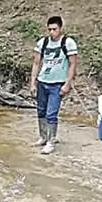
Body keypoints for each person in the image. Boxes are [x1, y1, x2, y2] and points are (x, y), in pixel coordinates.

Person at [29, 16, 78, 155]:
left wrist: (67, 84)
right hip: (43, 81)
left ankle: (51, 141)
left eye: (54, 29)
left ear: (60, 28)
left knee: (52, 113)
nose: (52, 32)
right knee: (41, 111)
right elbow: (36, 63)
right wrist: (33, 82)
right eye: (49, 29)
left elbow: (73, 64)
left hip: (57, 83)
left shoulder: (68, 43)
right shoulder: (43, 43)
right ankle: (43, 136)